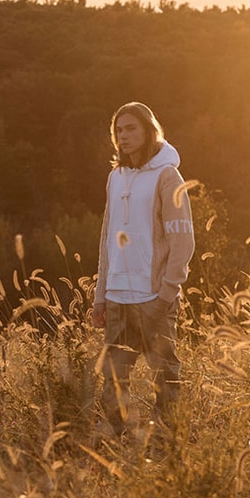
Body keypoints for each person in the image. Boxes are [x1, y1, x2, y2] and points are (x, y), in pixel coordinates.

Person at [92, 102, 195, 437]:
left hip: (154, 298)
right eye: (119, 130)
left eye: (131, 128)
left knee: (165, 378)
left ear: (149, 130)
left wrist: (166, 294)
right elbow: (107, 239)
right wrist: (100, 297)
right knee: (113, 382)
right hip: (118, 299)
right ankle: (119, 448)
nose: (124, 136)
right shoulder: (115, 177)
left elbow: (183, 242)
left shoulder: (167, 176)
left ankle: (167, 446)